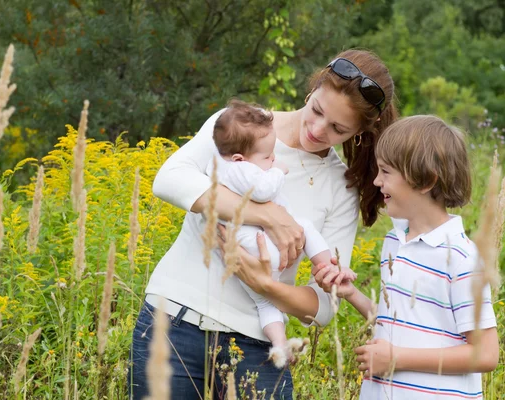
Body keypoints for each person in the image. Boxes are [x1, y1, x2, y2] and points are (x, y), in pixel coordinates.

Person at [129, 49, 398, 399]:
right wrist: (268, 215)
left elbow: (324, 306)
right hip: (173, 323)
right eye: (317, 110)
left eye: (338, 129)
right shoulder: (241, 126)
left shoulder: (340, 187)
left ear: (360, 132)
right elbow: (169, 180)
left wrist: (263, 284)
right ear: (313, 88)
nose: (317, 129)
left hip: (259, 348)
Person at [313, 115, 499, 399]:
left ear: (425, 181)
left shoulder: (462, 259)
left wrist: (398, 359)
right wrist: (351, 294)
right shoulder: (394, 242)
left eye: (386, 172)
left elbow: (485, 354)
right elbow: (397, 321)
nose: (376, 181)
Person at [208, 99, 356, 362]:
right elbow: (264, 190)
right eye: (267, 156)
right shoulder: (241, 169)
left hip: (247, 256)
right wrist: (278, 171)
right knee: (306, 228)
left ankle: (279, 342)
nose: (273, 158)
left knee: (265, 303)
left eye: (338, 127)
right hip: (261, 249)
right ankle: (330, 267)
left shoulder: (219, 163)